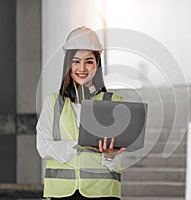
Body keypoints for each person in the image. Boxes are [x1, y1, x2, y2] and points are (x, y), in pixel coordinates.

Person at [36, 26, 125, 200]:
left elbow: (114, 161)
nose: (82, 68)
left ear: (97, 65)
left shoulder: (113, 102)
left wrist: (109, 154)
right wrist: (80, 144)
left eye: (89, 61)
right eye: (76, 61)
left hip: (102, 192)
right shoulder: (53, 102)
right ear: (68, 64)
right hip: (62, 193)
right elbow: (43, 146)